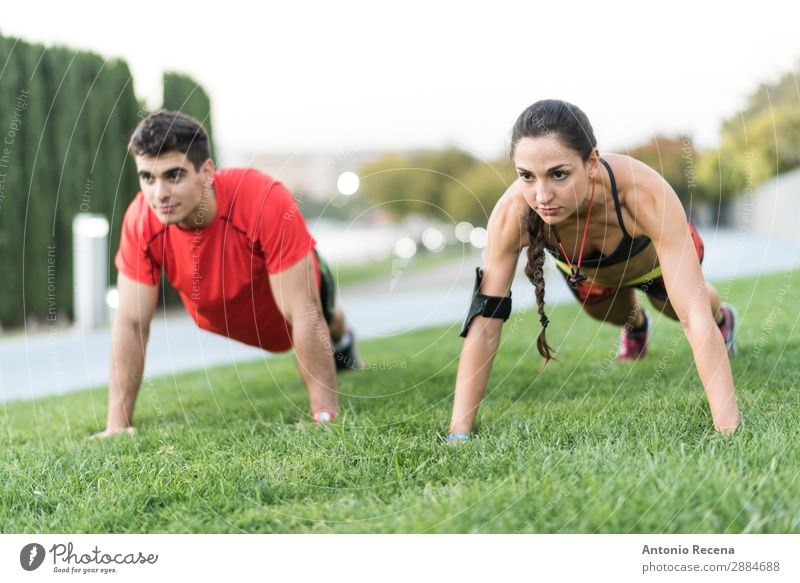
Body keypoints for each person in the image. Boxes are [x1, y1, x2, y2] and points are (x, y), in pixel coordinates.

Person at [448, 99, 740, 442]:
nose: (541, 195)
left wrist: (727, 428)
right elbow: (484, 326)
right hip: (592, 274)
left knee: (679, 307)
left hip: (654, 265)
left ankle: (725, 319)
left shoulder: (643, 192)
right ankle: (636, 326)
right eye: (526, 176)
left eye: (559, 174)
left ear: (590, 162)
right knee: (615, 316)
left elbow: (693, 318)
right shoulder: (511, 214)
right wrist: (459, 433)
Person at [91, 110, 359, 439]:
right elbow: (131, 323)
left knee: (329, 321)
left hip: (288, 307)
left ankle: (344, 340)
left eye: (174, 175)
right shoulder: (141, 220)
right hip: (222, 312)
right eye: (147, 177)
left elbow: (305, 312)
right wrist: (117, 426)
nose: (159, 193)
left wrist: (324, 415)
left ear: (206, 172)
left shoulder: (262, 198)